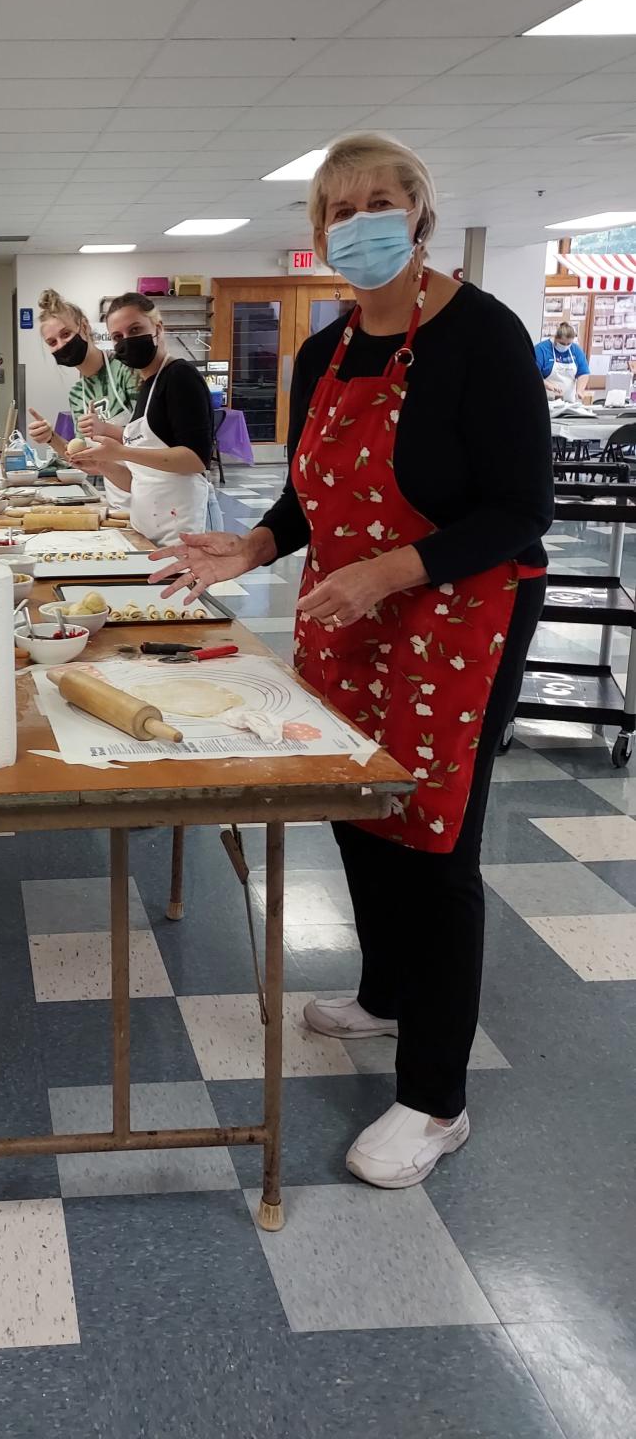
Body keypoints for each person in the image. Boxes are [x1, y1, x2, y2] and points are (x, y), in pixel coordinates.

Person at [151, 132, 552, 1189]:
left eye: (381, 201)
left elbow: (521, 508)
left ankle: (435, 1098)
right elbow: (307, 500)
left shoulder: (484, 336)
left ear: (419, 211)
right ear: (319, 233)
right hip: (350, 612)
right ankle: (382, 996)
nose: (360, 221)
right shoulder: (322, 353)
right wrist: (248, 544)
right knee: (358, 808)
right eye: (338, 208)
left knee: (435, 841)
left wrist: (391, 572)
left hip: (460, 618)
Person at [69, 291, 215, 545]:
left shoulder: (180, 377)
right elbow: (139, 480)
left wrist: (122, 452)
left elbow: (195, 460)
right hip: (148, 529)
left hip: (181, 531)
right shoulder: (147, 386)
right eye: (118, 337)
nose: (127, 341)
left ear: (157, 328)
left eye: (135, 330)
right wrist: (102, 464)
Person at [27, 287, 141, 508]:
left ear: (85, 327)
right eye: (52, 342)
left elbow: (148, 441)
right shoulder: (78, 393)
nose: (61, 345)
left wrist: (105, 429)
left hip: (153, 491)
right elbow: (85, 459)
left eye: (66, 334)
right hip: (119, 498)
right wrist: (51, 438)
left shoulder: (126, 371)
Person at [533, 321, 590, 401]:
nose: (565, 346)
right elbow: (532, 375)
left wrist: (580, 390)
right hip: (546, 401)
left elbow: (583, 373)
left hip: (569, 402)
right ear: (555, 338)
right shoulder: (541, 350)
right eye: (562, 343)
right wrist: (547, 385)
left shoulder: (576, 350)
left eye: (569, 343)